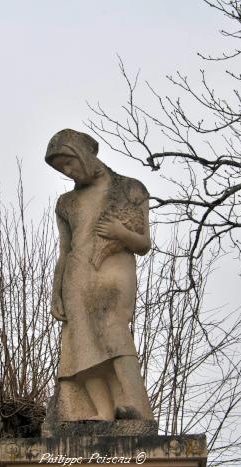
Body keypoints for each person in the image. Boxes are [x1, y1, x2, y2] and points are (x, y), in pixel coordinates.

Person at [45, 128, 154, 422]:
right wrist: (56, 290)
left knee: (114, 330)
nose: (68, 171)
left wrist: (121, 233)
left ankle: (136, 408)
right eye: (61, 168)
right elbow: (65, 251)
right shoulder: (65, 203)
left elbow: (143, 244)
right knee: (81, 344)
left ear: (84, 153)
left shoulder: (131, 189)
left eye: (69, 162)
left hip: (115, 273)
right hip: (77, 276)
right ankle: (104, 411)